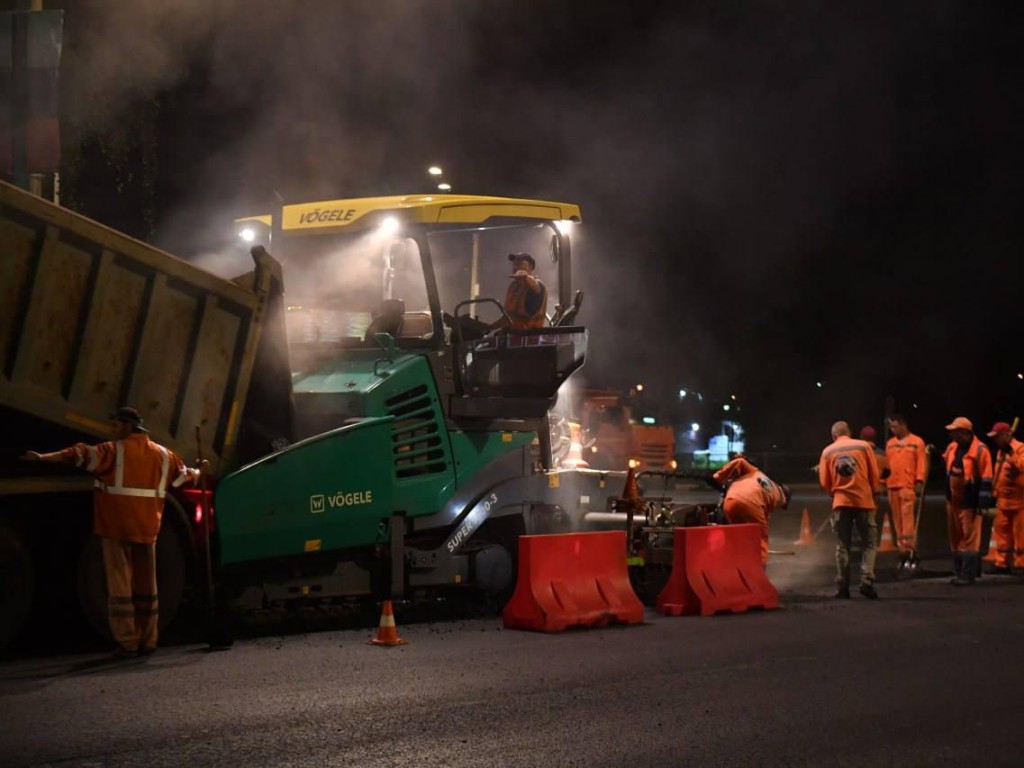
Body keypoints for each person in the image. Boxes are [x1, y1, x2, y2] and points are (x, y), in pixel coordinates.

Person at [21, 407, 206, 658]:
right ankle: (149, 639)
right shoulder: (164, 455)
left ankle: (128, 642)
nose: (113, 430)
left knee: (120, 588)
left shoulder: (112, 451)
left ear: (128, 426)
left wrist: (44, 458)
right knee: (147, 588)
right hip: (147, 529)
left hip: (116, 528)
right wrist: (200, 470)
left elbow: (78, 455)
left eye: (117, 425)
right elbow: (186, 478)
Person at [818, 421, 881, 599]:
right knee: (869, 544)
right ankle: (867, 581)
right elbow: (874, 474)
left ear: (833, 436)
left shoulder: (827, 451)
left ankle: (842, 587)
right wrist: (874, 492)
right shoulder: (863, 447)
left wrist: (834, 493)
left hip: (841, 503)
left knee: (842, 546)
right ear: (850, 432)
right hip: (864, 502)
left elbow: (824, 481)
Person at [942, 416, 994, 585]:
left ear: (965, 433)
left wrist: (983, 503)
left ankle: (967, 574)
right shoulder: (952, 448)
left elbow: (986, 479)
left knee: (970, 537)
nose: (952, 436)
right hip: (953, 499)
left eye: (955, 432)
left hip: (970, 499)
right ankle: (962, 570)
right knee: (956, 536)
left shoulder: (980, 450)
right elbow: (947, 467)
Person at [712, 456, 791, 566]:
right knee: (760, 538)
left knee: (737, 538)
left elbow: (740, 461)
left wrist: (719, 476)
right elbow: (763, 521)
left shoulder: (758, 474)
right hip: (751, 503)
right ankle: (759, 570)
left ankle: (734, 565)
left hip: (730, 500)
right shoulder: (779, 497)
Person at [884, 414, 929, 569]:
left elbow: (921, 463)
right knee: (897, 521)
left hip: (907, 485)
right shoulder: (890, 444)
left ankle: (910, 550)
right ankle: (901, 550)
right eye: (891, 427)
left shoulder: (917, 442)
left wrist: (920, 481)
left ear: (903, 425)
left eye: (894, 426)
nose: (892, 429)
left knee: (908, 520)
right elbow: (886, 464)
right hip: (892, 485)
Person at [987, 421, 1024, 574]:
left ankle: (1021, 564)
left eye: (997, 437)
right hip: (1003, 500)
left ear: (1006, 435)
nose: (995, 440)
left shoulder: (1020, 448)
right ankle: (1001, 563)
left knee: (1020, 534)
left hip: (1020, 500)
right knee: (1001, 534)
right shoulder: (1000, 451)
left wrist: (1012, 453)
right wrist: (994, 493)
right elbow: (998, 474)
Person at [500, 252, 547, 330]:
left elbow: (535, 286)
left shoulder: (538, 286)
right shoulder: (513, 286)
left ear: (530, 267)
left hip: (528, 338)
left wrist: (525, 277)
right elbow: (507, 318)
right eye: (514, 264)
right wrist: (488, 327)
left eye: (519, 264)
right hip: (512, 337)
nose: (515, 267)